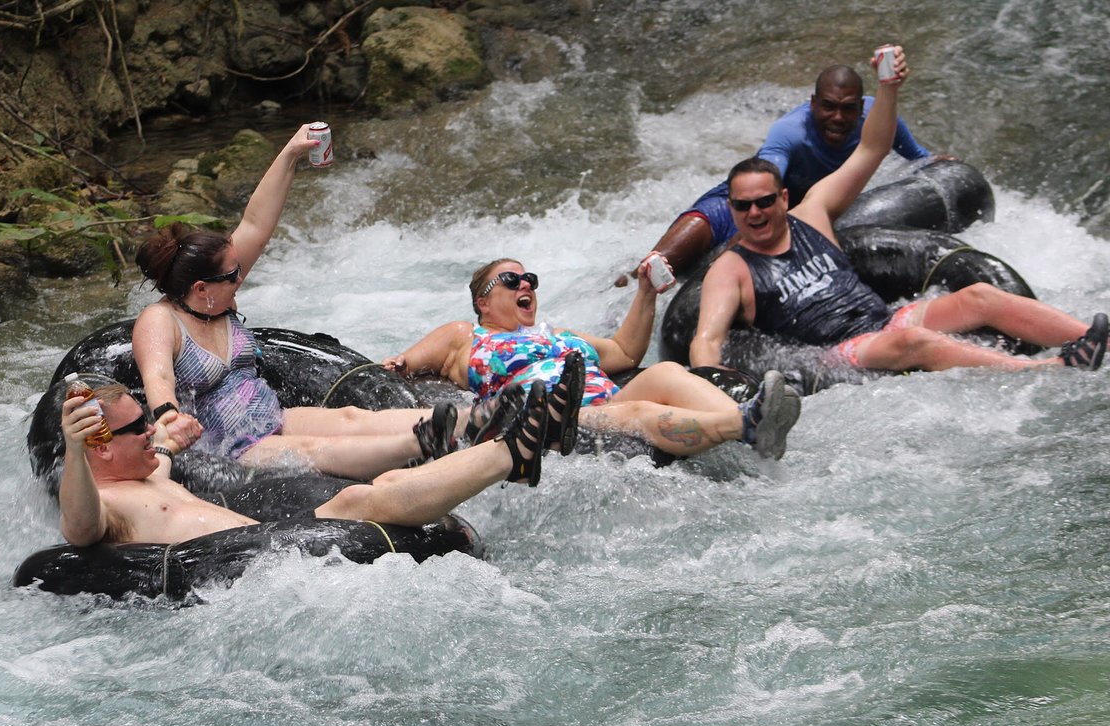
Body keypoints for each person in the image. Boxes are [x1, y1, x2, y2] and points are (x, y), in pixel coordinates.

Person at [690, 45, 1109, 375]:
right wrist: (712, 378)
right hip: (840, 353)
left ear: (783, 199)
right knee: (913, 344)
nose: (755, 213)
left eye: (764, 201)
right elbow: (706, 339)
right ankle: (1052, 369)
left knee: (979, 295)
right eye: (743, 206)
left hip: (885, 320)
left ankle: (1093, 340)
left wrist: (888, 85)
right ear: (733, 207)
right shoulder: (731, 270)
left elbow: (872, 147)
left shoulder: (813, 211)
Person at [132, 125, 469, 482]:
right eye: (233, 275)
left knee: (352, 418)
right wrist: (170, 415)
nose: (241, 278)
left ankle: (474, 419)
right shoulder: (160, 320)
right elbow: (159, 377)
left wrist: (290, 152)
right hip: (231, 447)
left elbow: (256, 223)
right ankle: (424, 443)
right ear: (202, 288)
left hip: (271, 417)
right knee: (314, 451)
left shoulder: (215, 298)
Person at [58, 378, 577, 547]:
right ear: (98, 446)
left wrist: (167, 436)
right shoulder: (107, 504)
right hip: (252, 568)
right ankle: (515, 452)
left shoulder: (151, 470)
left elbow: (165, 446)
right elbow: (80, 529)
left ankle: (514, 450)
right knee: (357, 498)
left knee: (383, 484)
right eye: (136, 429)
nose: (149, 431)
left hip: (268, 546)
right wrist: (74, 448)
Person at [384, 257, 802, 461]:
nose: (525, 283)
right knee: (640, 410)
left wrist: (645, 293)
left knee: (667, 372)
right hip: (551, 415)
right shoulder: (467, 334)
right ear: (484, 301)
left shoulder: (558, 335)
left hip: (603, 399)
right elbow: (409, 362)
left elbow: (624, 352)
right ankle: (743, 425)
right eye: (512, 280)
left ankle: (754, 421)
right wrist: (400, 363)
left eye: (530, 279)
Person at [627, 60, 938, 285]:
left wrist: (942, 165)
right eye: (828, 106)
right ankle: (627, 287)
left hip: (795, 213)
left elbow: (918, 159)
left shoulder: (879, 120)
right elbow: (763, 184)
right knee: (666, 257)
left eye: (848, 108)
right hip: (744, 203)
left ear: (861, 107)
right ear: (813, 103)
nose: (838, 118)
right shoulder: (790, 132)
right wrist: (745, 235)